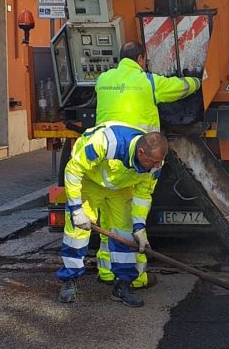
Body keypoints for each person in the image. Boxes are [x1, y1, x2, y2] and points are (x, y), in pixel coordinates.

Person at [92, 41, 201, 289]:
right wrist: (198, 80)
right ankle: (137, 277)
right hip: (134, 160)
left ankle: (107, 272)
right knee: (130, 221)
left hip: (105, 159)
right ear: (141, 59)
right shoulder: (148, 82)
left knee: (108, 219)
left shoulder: (103, 80)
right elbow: (180, 88)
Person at [56, 123, 169, 308]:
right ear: (141, 152)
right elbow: (73, 170)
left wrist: (139, 226)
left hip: (119, 188)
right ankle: (70, 280)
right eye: (154, 162)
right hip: (90, 181)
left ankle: (122, 285)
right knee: (76, 233)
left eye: (159, 162)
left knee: (125, 234)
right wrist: (77, 209)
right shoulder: (107, 142)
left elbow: (143, 195)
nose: (157, 166)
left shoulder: (156, 165)